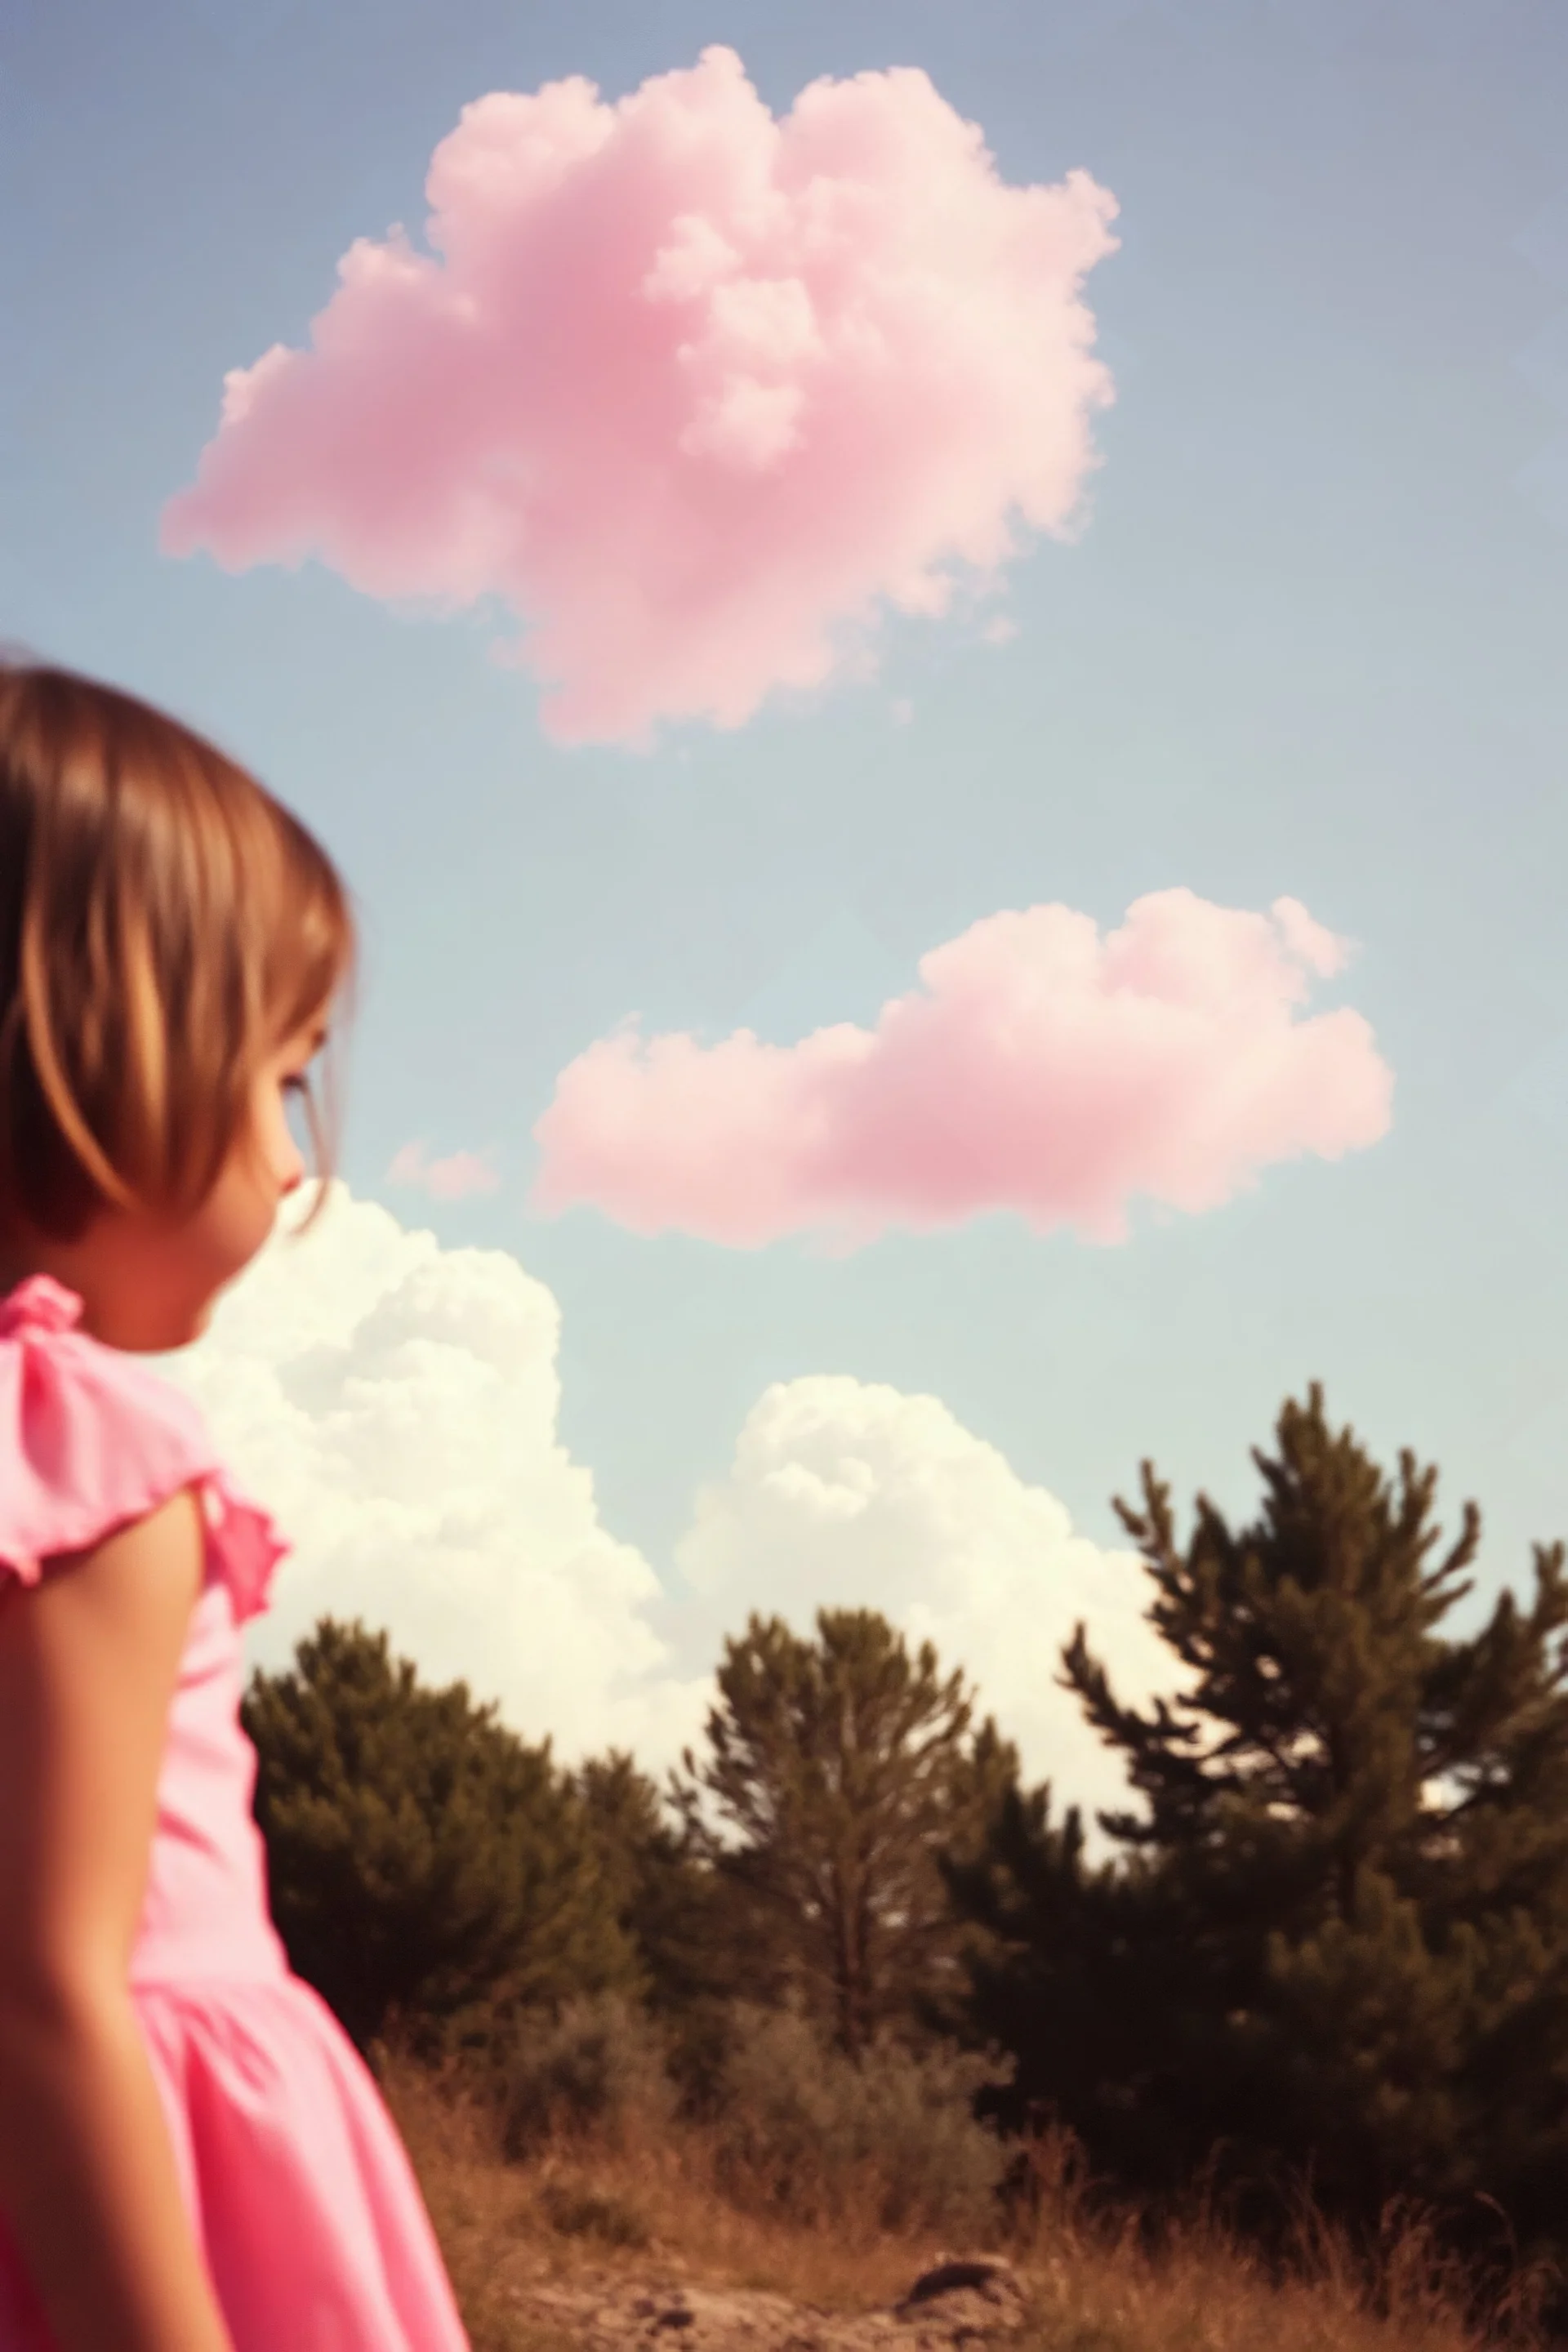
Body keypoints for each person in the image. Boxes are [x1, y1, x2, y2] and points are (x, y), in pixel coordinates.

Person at [0, 664, 471, 2350]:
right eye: (275, 1081)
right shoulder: (86, 1463)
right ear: (100, 1054)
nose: (291, 1161)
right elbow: (45, 1996)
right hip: (141, 2198)